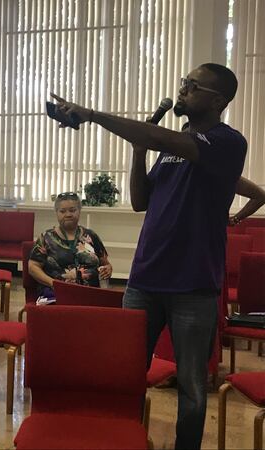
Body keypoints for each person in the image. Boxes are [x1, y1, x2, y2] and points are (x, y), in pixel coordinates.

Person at [51, 63, 246, 449]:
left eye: (193, 85)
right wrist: (139, 152)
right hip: (144, 281)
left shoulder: (228, 142)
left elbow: (165, 139)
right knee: (126, 373)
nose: (184, 89)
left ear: (218, 100)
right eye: (184, 82)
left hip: (193, 286)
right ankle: (124, 439)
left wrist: (91, 115)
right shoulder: (169, 148)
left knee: (191, 385)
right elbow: (141, 200)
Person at [28, 192, 112, 297]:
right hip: (57, 293)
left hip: (91, 293)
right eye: (62, 211)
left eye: (72, 210)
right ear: (56, 213)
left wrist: (108, 268)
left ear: (79, 211)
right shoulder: (46, 238)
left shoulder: (91, 235)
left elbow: (105, 263)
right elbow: (32, 267)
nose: (68, 214)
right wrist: (52, 283)